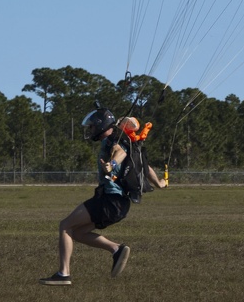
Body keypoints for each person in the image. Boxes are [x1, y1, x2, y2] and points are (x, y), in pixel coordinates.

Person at [39, 107, 167, 286]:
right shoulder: (125, 141)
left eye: (91, 127)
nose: (90, 130)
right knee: (77, 232)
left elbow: (119, 153)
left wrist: (111, 163)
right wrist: (159, 183)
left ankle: (63, 274)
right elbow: (144, 167)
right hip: (119, 204)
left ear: (100, 126)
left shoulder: (112, 141)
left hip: (110, 200)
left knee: (65, 226)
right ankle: (116, 249)